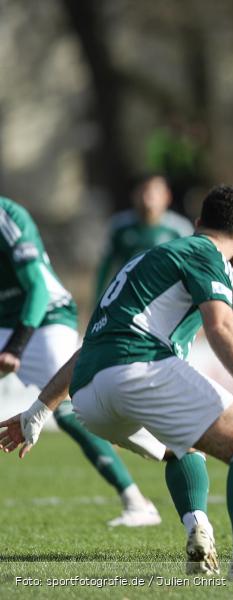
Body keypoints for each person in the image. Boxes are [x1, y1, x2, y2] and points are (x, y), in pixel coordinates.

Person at [0, 185, 233, 583]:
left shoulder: (147, 259)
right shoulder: (205, 253)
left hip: (90, 397)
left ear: (197, 223)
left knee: (182, 448)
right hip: (138, 369)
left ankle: (199, 529)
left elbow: (91, 347)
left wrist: (40, 410)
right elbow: (222, 326)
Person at [0, 195, 159, 527]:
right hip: (4, 321)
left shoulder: (8, 215)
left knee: (71, 407)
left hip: (44, 317)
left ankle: (138, 496)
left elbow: (38, 289)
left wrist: (15, 347)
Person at [94, 174, 194, 302]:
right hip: (125, 300)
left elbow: (191, 270)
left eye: (154, 192)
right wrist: (98, 299)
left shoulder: (180, 230)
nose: (147, 197)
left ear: (167, 196)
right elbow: (105, 266)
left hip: (166, 302)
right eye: (143, 191)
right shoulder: (119, 226)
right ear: (133, 195)